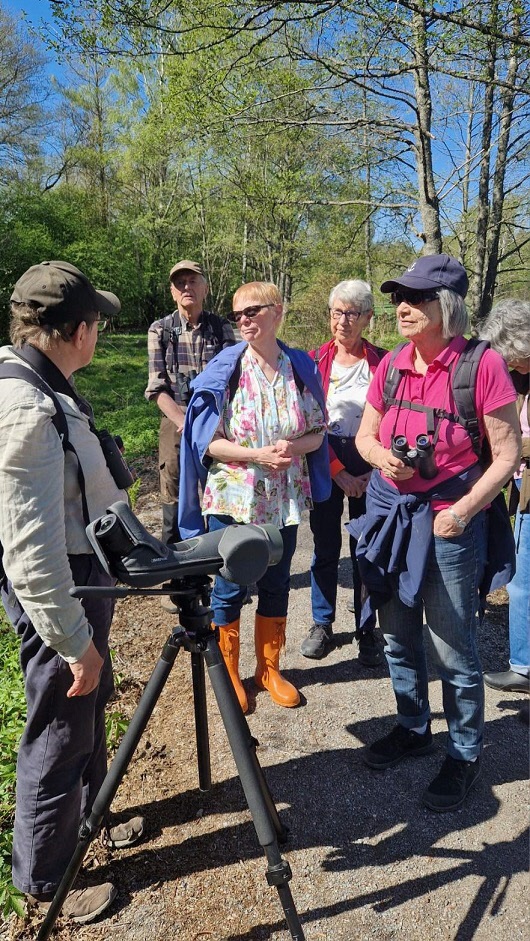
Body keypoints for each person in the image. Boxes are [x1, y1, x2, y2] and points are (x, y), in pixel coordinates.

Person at [0, 262, 145, 922]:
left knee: (83, 713)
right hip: (59, 592)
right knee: (59, 728)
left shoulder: (43, 384)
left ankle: (88, 819)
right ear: (79, 331)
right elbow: (31, 553)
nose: (99, 335)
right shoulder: (26, 408)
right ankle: (46, 879)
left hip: (81, 579)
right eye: (97, 325)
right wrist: (72, 641)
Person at [350, 254, 520, 812]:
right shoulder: (392, 364)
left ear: (445, 306)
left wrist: (464, 511)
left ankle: (465, 752)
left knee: (452, 645)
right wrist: (382, 458)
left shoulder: (480, 365)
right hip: (391, 515)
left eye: (416, 298)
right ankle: (414, 726)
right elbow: (366, 436)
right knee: (397, 635)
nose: (402, 307)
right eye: (398, 297)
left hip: (448, 522)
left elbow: (507, 454)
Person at [179, 281, 331, 712]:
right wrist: (256, 455)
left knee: (277, 583)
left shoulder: (299, 367)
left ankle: (269, 670)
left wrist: (290, 448)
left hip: (282, 498)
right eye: (237, 314)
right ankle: (228, 673)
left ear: (277, 311)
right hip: (235, 499)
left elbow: (318, 433)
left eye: (252, 311)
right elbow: (207, 442)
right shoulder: (226, 371)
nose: (243, 320)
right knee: (229, 586)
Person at [299, 279, 386, 664]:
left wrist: (374, 468)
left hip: (370, 460)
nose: (343, 321)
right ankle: (322, 623)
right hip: (324, 456)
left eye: (352, 313)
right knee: (325, 546)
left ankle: (367, 628)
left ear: (367, 317)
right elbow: (306, 420)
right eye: (337, 312)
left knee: (366, 549)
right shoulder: (314, 360)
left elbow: (392, 419)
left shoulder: (383, 362)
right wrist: (337, 471)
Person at [145, 260, 235, 550]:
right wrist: (183, 421)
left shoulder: (221, 327)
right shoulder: (160, 330)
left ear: (205, 288)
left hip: (215, 419)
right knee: (173, 490)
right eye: (180, 283)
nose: (186, 287)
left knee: (220, 489)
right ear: (172, 292)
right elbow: (156, 388)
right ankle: (176, 566)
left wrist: (209, 423)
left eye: (193, 281)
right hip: (175, 418)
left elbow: (232, 379)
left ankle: (222, 561)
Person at [479, 299, 530, 698]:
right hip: (522, 489)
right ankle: (524, 665)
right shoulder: (520, 379)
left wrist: (514, 448)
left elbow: (516, 438)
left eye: (512, 354)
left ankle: (524, 667)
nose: (510, 363)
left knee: (524, 582)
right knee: (522, 580)